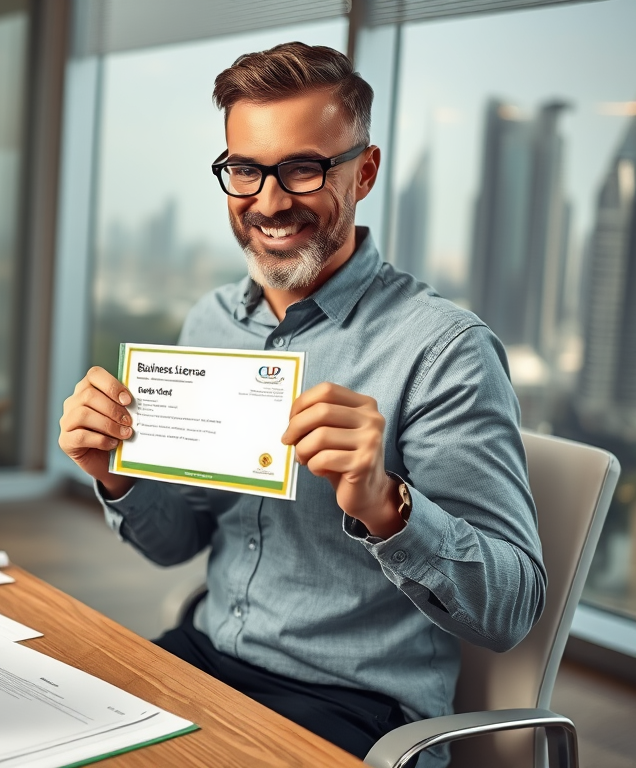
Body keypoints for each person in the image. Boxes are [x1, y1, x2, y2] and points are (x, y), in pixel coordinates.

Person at [57, 42, 545, 768]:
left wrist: (387, 504)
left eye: (304, 168)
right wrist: (116, 476)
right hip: (204, 655)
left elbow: (511, 610)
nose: (270, 200)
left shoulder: (444, 350)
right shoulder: (211, 322)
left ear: (365, 172)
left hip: (351, 707)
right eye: (246, 170)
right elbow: (176, 543)